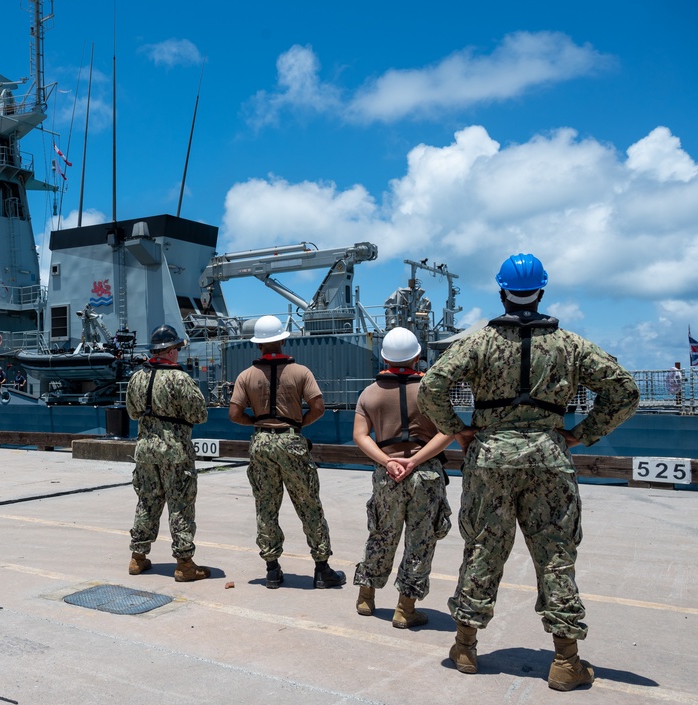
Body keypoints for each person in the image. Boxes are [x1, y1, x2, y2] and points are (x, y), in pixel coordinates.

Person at [417, 253, 640, 691]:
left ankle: (465, 646)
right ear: (542, 290)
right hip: (548, 456)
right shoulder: (571, 345)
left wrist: (458, 429)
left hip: (490, 456)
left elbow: (432, 386)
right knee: (556, 554)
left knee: (483, 547)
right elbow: (625, 391)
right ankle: (565, 661)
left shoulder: (477, 343)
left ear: (502, 291)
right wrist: (581, 434)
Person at [228, 315, 345, 590]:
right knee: (308, 505)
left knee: (266, 506)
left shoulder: (246, 376)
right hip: (292, 441)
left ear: (258, 346)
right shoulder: (301, 372)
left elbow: (234, 414)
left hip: (261, 443)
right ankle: (322, 569)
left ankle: (272, 570)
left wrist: (256, 422)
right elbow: (318, 407)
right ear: (282, 340)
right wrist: (297, 425)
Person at [351, 327, 454, 628]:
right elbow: (448, 432)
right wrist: (415, 461)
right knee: (420, 540)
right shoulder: (433, 391)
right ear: (418, 356)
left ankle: (366, 597)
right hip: (425, 473)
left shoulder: (369, 393)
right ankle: (405, 608)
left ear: (383, 357)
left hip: (387, 473)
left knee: (382, 534)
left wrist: (388, 461)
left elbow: (359, 435)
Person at [125, 324, 212, 582]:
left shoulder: (137, 378)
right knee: (180, 504)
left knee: (147, 501)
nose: (178, 354)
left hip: (145, 449)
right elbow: (200, 414)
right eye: (177, 349)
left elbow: (132, 413)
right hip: (175, 449)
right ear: (171, 351)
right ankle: (185, 564)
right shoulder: (180, 379)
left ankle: (137, 558)